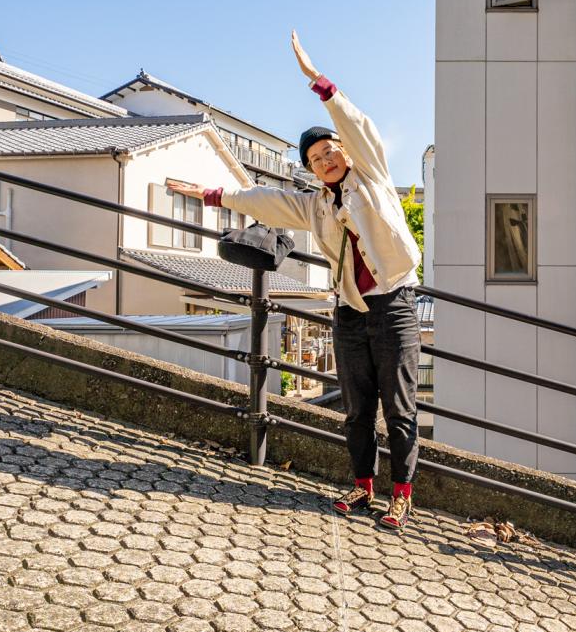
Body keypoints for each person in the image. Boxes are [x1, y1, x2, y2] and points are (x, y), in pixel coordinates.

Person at [164, 32, 424, 528]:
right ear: (310, 170)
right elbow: (267, 201)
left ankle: (402, 496)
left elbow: (360, 126)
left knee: (400, 408)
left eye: (330, 151)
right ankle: (363, 487)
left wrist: (319, 82)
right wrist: (213, 196)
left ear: (345, 151)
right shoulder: (315, 204)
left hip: (394, 305)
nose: (325, 161)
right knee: (357, 408)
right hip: (349, 311)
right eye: (315, 160)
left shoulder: (372, 178)